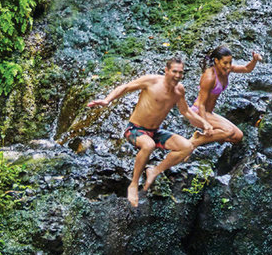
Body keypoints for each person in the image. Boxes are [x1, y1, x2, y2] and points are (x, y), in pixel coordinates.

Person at [86, 58, 213, 207]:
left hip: (155, 131)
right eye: (175, 72)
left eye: (181, 72)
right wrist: (107, 100)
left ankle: (155, 170)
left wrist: (204, 123)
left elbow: (185, 111)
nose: (178, 76)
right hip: (135, 129)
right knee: (149, 145)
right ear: (166, 71)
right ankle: (133, 185)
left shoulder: (179, 90)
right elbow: (126, 87)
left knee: (187, 147)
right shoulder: (151, 81)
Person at [189, 45, 262, 147]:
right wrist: (206, 125)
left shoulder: (226, 70)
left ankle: (207, 137)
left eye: (230, 62)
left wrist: (254, 60)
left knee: (238, 136)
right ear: (216, 61)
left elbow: (246, 68)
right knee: (228, 131)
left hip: (209, 113)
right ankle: (194, 142)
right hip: (198, 113)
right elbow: (201, 105)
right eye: (225, 63)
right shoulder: (209, 77)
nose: (228, 66)